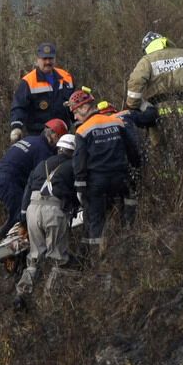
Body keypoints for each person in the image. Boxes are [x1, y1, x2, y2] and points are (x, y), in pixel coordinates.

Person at [69, 89, 142, 252]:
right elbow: (132, 149)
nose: (74, 117)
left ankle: (96, 262)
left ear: (84, 107)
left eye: (74, 111)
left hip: (97, 183)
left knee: (96, 222)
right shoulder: (116, 121)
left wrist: (80, 189)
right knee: (127, 206)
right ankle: (128, 243)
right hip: (120, 178)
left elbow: (79, 162)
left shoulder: (82, 131)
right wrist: (136, 169)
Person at [14, 133, 79, 304]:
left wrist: (23, 217)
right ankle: (50, 300)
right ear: (73, 150)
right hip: (54, 210)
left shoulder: (41, 165)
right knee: (58, 257)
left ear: (59, 148)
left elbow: (27, 191)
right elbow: (77, 192)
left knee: (34, 256)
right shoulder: (73, 166)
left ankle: (22, 295)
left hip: (32, 210)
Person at [125, 31, 183, 147]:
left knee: (165, 150)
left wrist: (133, 104)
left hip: (161, 114)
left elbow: (135, 82)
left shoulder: (147, 61)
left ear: (146, 48)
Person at [0, 119, 68, 239]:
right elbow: (41, 177)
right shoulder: (43, 150)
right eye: (60, 139)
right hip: (9, 182)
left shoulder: (30, 139)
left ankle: (4, 232)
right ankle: (9, 239)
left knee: (18, 211)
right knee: (21, 214)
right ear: (53, 134)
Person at [9, 42, 76, 143]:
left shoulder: (66, 77)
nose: (48, 62)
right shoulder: (28, 82)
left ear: (55, 59)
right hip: (38, 135)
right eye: (44, 59)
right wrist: (16, 127)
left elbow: (74, 103)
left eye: (50, 58)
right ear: (37, 60)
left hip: (63, 134)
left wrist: (80, 124)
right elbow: (19, 106)